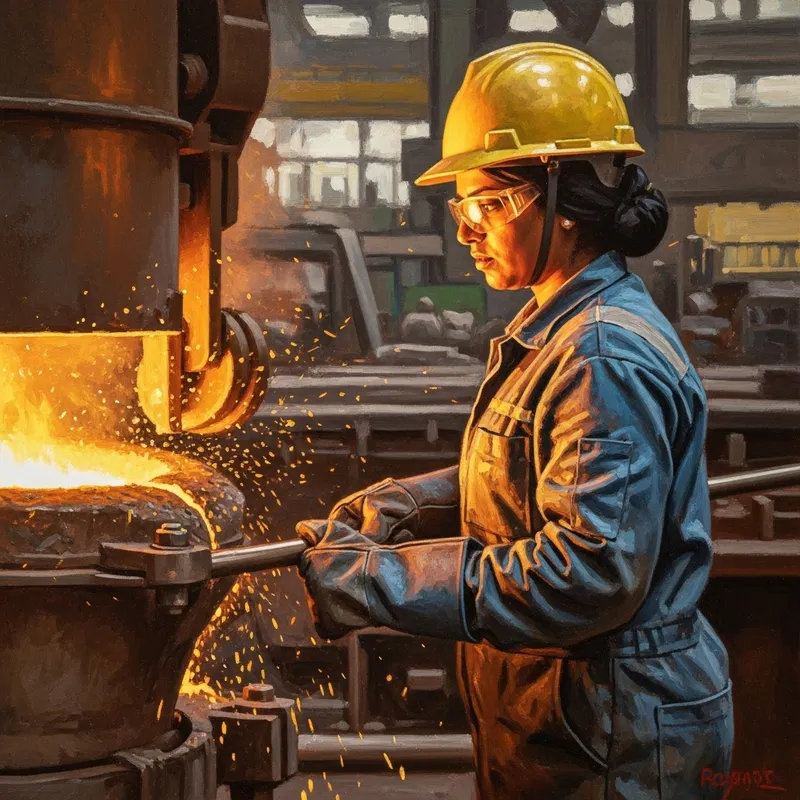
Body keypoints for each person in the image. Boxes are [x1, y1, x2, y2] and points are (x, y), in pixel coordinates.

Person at [295, 43, 733, 799]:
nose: (466, 229)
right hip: (575, 718)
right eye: (461, 206)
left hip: (615, 734)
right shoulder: (561, 328)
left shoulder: (600, 354)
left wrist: (383, 580)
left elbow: (588, 574)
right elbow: (537, 470)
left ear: (564, 205)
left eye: (488, 205)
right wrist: (419, 501)